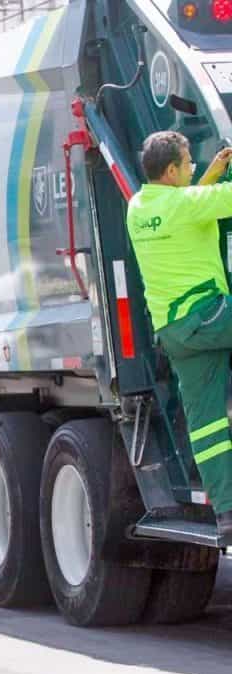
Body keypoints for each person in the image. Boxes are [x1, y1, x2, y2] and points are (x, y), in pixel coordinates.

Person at [126, 132, 232, 537]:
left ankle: (226, 515)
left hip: (175, 333)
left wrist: (208, 175)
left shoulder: (139, 207)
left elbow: (185, 208)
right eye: (188, 164)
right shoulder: (185, 204)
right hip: (208, 316)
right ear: (171, 171)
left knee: (206, 426)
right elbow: (198, 205)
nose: (192, 169)